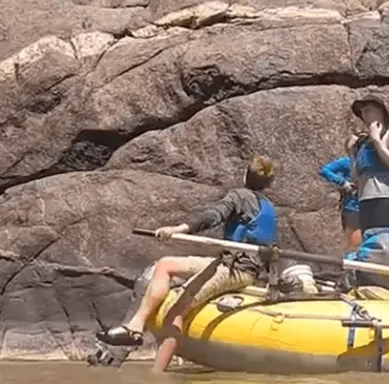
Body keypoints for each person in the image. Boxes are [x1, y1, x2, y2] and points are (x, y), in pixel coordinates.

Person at [96, 155, 277, 373]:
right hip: (228, 264)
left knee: (176, 313)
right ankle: (135, 326)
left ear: (245, 175)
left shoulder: (239, 196)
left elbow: (213, 215)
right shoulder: (268, 206)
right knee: (165, 264)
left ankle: (156, 376)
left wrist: (179, 229)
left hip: (236, 270)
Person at [348, 94, 389, 233]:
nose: (364, 114)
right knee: (369, 241)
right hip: (365, 199)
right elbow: (356, 176)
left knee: (385, 240)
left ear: (380, 111)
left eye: (368, 110)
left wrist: (377, 140)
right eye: (362, 112)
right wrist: (351, 152)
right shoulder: (362, 141)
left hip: (385, 197)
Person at [318, 150, 360, 250]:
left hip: (372, 207)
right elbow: (325, 170)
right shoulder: (348, 162)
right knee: (354, 244)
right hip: (353, 208)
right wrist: (342, 182)